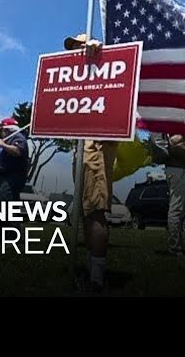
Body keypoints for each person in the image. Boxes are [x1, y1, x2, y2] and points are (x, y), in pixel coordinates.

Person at [64, 33, 117, 292]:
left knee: (95, 209)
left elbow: (118, 70)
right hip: (81, 146)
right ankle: (90, 268)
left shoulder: (102, 68)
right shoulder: (77, 78)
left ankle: (97, 278)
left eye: (79, 47)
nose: (74, 52)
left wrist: (101, 52)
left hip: (96, 144)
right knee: (85, 209)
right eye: (72, 47)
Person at [0, 118, 29, 245]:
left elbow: (17, 151)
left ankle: (13, 237)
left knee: (8, 207)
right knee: (1, 207)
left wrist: (3, 145)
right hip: (3, 178)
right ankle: (1, 236)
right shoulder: (9, 140)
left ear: (7, 129)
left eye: (2, 130)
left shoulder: (18, 138)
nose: (1, 133)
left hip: (11, 178)